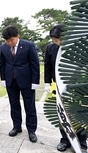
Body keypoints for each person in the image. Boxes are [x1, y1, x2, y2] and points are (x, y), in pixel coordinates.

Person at [44, 24, 87, 152]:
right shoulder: (50, 48)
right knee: (61, 114)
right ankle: (65, 140)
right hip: (58, 87)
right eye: (54, 40)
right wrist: (47, 83)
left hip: (76, 89)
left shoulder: (78, 48)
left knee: (78, 114)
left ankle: (82, 143)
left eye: (57, 39)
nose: (56, 42)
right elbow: (47, 66)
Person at [0, 25, 40, 143]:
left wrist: (35, 81)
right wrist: (3, 79)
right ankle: (17, 126)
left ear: (18, 36)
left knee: (30, 106)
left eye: (11, 40)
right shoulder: (3, 47)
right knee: (14, 104)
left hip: (26, 80)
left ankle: (31, 130)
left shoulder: (29, 45)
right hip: (11, 80)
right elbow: (2, 63)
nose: (9, 43)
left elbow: (35, 64)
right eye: (7, 41)